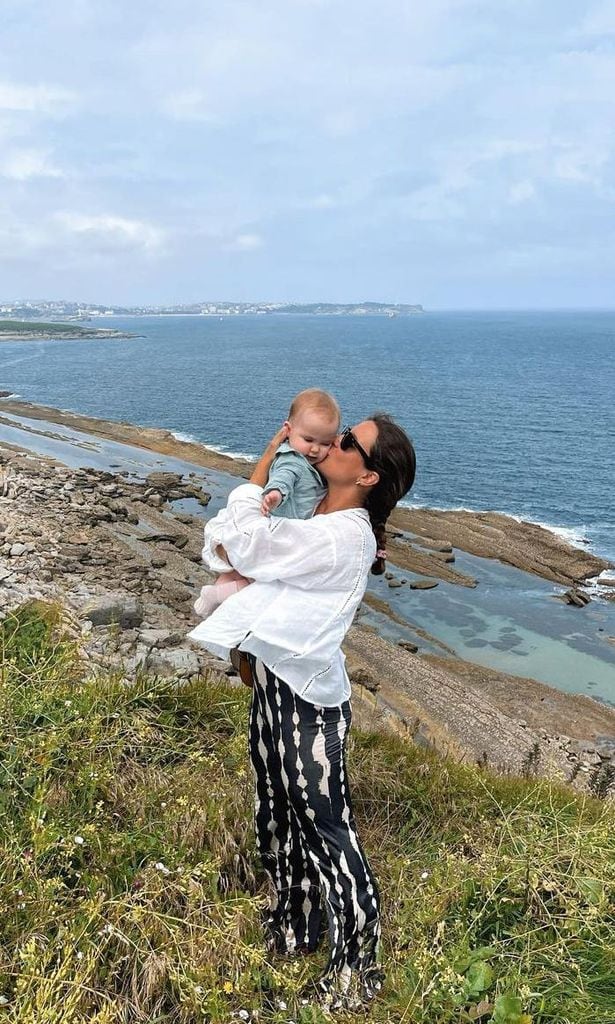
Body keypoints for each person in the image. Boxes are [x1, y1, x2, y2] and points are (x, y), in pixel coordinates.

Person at [188, 414, 416, 1010]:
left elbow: (238, 542)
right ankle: (295, 927)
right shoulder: (315, 511)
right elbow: (220, 547)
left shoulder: (344, 535)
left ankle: (356, 973)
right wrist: (238, 528)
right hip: (272, 681)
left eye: (347, 441)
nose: (331, 441)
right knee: (277, 813)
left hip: (308, 704)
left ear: (367, 474)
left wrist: (250, 484)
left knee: (327, 832)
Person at [193, 388, 340, 619]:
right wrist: (275, 494)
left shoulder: (308, 461)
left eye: (325, 443)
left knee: (239, 571)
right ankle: (215, 596)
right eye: (308, 439)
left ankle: (214, 596)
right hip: (277, 527)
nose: (315, 448)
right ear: (288, 431)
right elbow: (284, 478)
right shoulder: (293, 460)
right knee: (258, 579)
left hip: (275, 526)